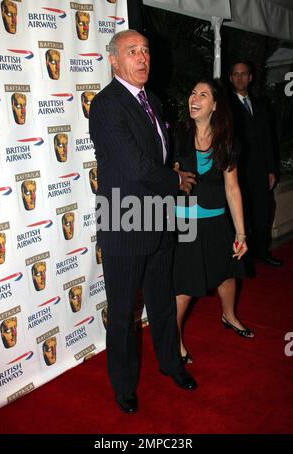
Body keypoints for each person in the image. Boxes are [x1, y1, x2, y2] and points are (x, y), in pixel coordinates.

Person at [89, 29, 197, 414]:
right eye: (132, 51)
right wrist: (176, 180)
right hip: (124, 223)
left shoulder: (152, 99)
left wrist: (172, 169)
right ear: (114, 61)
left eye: (146, 51)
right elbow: (133, 167)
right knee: (121, 314)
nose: (142, 58)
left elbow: (157, 155)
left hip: (158, 219)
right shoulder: (105, 105)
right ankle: (124, 386)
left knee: (162, 302)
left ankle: (171, 364)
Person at [173, 78, 254, 363]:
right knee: (182, 289)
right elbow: (163, 174)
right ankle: (176, 342)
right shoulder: (177, 135)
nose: (194, 98)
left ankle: (229, 316)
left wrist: (241, 233)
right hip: (185, 225)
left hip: (217, 220)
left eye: (203, 95)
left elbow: (232, 188)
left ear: (215, 105)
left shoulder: (225, 141)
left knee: (227, 276)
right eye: (193, 93)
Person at [228, 61, 283, 267]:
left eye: (244, 74)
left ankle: (263, 252)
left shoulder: (261, 104)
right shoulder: (226, 106)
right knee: (244, 214)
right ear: (231, 78)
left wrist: (271, 169)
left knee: (264, 211)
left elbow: (269, 139)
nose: (240, 78)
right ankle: (245, 257)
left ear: (251, 78)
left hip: (260, 170)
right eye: (236, 74)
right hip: (237, 172)